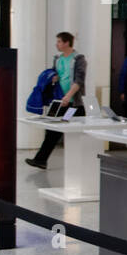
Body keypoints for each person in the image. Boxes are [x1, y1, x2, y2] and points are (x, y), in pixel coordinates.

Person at [25, 32, 86, 170]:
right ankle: (40, 159)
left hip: (73, 104)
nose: (56, 44)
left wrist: (68, 96)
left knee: (73, 130)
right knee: (53, 130)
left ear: (66, 43)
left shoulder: (78, 59)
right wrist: (53, 78)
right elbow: (55, 73)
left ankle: (78, 162)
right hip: (59, 101)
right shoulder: (57, 58)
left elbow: (79, 80)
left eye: (59, 41)